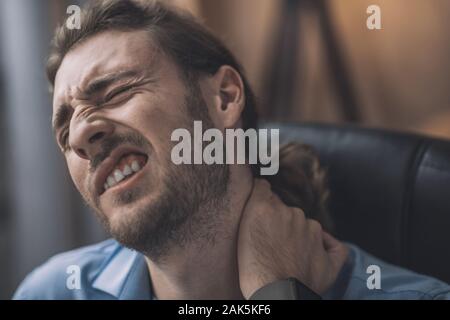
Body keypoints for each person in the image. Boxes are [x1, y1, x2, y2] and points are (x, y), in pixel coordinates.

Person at [13, 0, 450, 300]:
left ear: (223, 97)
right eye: (63, 129)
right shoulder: (52, 291)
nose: (80, 135)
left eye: (116, 91)